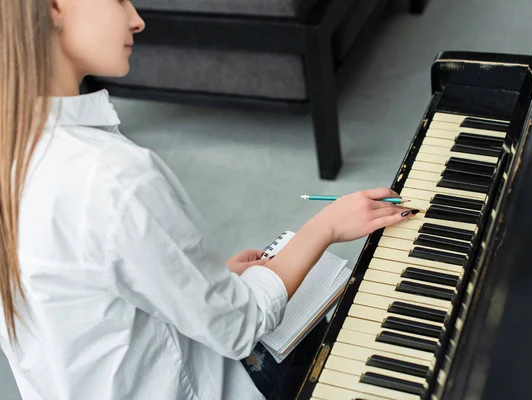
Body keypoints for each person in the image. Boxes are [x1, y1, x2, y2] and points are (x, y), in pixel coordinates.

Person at [0, 0, 418, 399]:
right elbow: (240, 326)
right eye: (120, 0)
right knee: (363, 330)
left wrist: (205, 280)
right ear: (55, 7)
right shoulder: (115, 177)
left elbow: (86, 303)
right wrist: (325, 226)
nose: (137, 20)